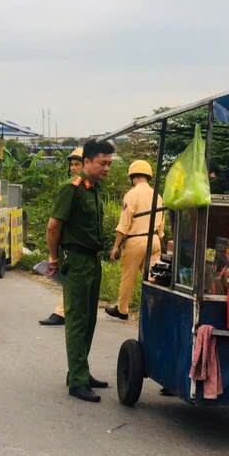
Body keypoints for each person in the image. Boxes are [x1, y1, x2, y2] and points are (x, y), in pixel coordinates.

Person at [46, 139, 115, 401]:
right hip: (75, 260)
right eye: (102, 163)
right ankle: (77, 380)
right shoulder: (71, 189)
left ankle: (80, 370)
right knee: (76, 320)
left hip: (92, 260)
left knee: (89, 319)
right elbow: (54, 226)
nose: (107, 168)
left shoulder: (94, 189)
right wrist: (54, 259)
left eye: (109, 164)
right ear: (86, 162)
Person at [106, 159, 164, 321]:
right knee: (154, 279)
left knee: (128, 276)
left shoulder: (131, 194)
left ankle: (122, 309)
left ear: (132, 176)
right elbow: (161, 225)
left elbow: (124, 223)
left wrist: (116, 246)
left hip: (136, 241)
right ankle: (157, 312)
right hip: (154, 240)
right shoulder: (157, 195)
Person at [39, 147, 84, 326]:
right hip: (70, 244)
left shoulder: (82, 189)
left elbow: (54, 226)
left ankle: (64, 312)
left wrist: (53, 254)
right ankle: (66, 312)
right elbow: (55, 225)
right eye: (71, 165)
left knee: (73, 281)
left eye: (77, 164)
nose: (73, 168)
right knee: (72, 281)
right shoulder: (71, 188)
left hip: (76, 245)